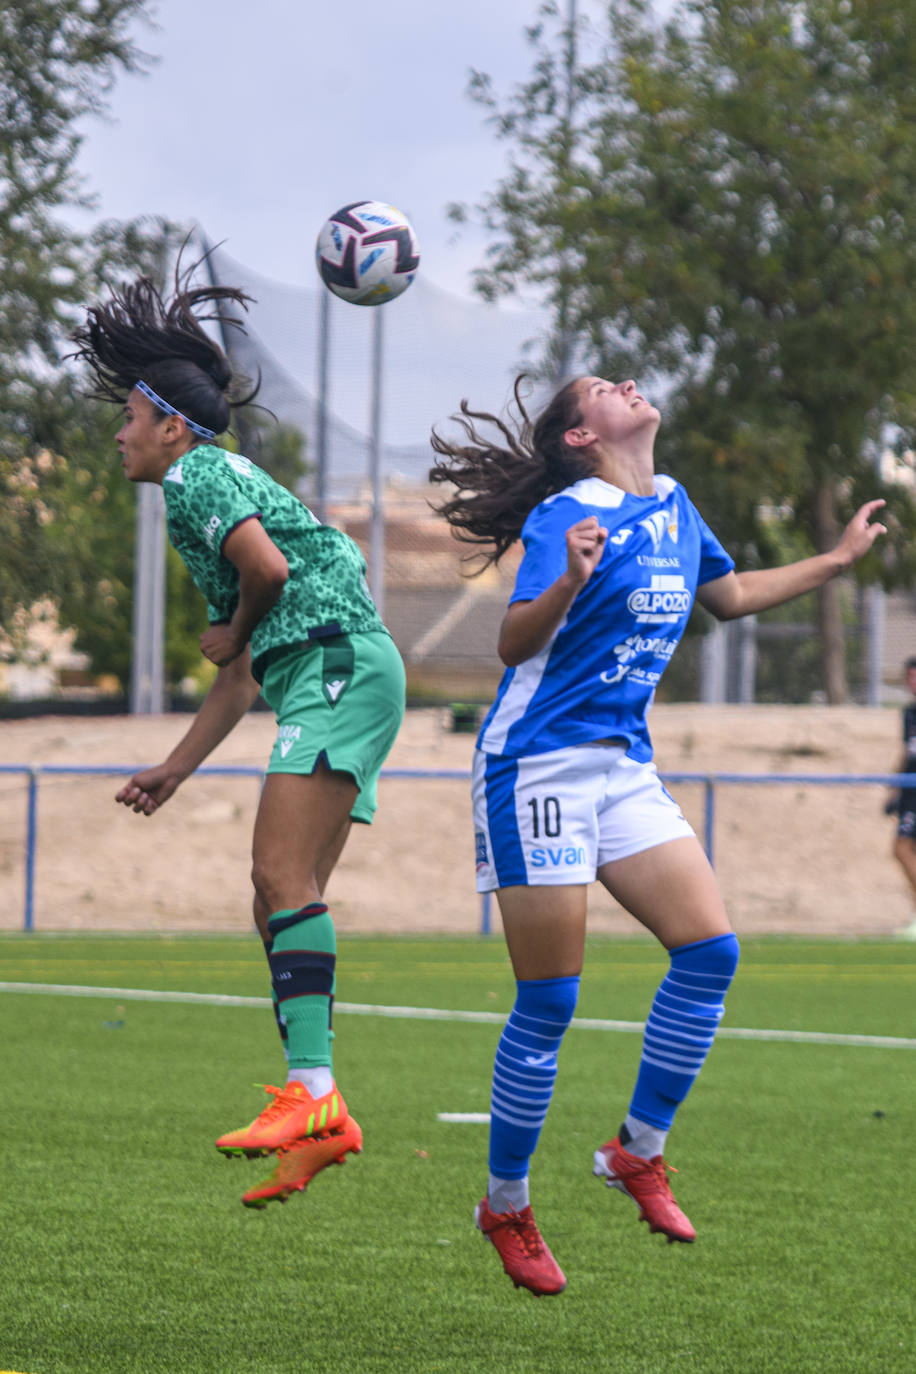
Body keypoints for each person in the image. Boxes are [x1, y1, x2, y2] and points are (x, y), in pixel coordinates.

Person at [429, 374, 885, 1296]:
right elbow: (513, 645)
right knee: (550, 1003)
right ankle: (506, 1204)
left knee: (711, 951)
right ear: (578, 436)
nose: (628, 385)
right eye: (605, 388)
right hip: (539, 765)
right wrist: (568, 579)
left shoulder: (675, 503)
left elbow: (734, 594)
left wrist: (834, 561)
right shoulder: (570, 513)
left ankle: (637, 1151)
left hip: (621, 766)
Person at [71, 267, 406, 1209]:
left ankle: (311, 1092)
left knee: (277, 882)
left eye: (131, 417)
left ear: (171, 425)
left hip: (337, 664)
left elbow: (259, 578)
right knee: (275, 906)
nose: (122, 433)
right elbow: (238, 673)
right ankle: (322, 1108)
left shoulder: (199, 474)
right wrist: (175, 769)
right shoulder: (209, 485)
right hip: (326, 670)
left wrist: (242, 620)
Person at [887, 656, 916, 934]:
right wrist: (893, 788)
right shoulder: (908, 713)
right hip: (909, 789)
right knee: (901, 850)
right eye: (909, 677)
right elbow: (906, 752)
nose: (912, 682)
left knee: (902, 849)